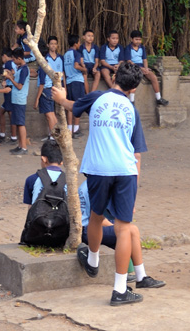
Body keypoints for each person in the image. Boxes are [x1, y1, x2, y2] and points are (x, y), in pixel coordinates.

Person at [52, 61, 159, 307]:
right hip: (125, 170)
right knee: (124, 228)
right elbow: (137, 154)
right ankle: (120, 289)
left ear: (114, 77)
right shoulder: (132, 111)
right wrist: (135, 190)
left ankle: (92, 260)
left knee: (97, 217)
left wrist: (60, 98)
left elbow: (72, 106)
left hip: (98, 169)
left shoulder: (98, 97)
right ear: (134, 89)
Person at [78, 177, 163, 289]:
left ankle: (138, 276)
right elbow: (98, 220)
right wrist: (119, 229)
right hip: (86, 230)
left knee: (129, 229)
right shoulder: (95, 187)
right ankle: (140, 277)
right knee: (130, 230)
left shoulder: (89, 184)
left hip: (91, 226)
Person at [123, 30, 169, 106]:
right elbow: (129, 61)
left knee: (153, 77)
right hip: (132, 67)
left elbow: (144, 59)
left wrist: (146, 68)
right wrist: (141, 69)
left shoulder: (142, 48)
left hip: (142, 67)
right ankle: (132, 101)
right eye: (136, 39)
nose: (138, 41)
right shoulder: (128, 48)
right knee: (134, 79)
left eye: (139, 39)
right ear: (131, 39)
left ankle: (158, 98)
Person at [34, 35, 63, 134]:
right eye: (51, 43)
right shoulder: (46, 59)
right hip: (51, 89)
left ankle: (54, 136)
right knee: (51, 114)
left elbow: (42, 82)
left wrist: (37, 98)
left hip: (46, 90)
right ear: (47, 45)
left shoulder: (44, 63)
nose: (53, 46)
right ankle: (54, 134)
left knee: (50, 115)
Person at [6, 47, 29, 154]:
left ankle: (23, 147)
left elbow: (19, 86)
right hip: (16, 99)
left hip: (20, 99)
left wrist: (10, 79)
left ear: (19, 58)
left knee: (20, 123)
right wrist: (11, 76)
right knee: (17, 122)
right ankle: (20, 145)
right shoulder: (20, 68)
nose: (13, 62)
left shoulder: (24, 69)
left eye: (14, 59)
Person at [63, 33, 86, 136]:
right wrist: (84, 69)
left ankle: (69, 129)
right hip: (77, 81)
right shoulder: (77, 53)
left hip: (69, 82)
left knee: (70, 107)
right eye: (79, 42)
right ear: (76, 43)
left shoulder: (65, 55)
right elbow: (76, 66)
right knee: (78, 105)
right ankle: (76, 130)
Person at [0, 48, 16, 143]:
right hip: (10, 89)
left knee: (10, 113)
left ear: (4, 56)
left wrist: (5, 80)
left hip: (9, 89)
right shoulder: (14, 63)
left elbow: (10, 73)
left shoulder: (8, 63)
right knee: (1, 112)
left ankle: (13, 137)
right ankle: (2, 134)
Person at [80, 28, 100, 92]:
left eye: (92, 36)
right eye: (88, 36)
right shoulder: (81, 47)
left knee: (98, 74)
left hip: (93, 65)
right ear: (84, 37)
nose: (91, 38)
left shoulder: (95, 47)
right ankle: (87, 93)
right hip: (85, 64)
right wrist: (83, 67)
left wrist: (95, 68)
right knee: (84, 75)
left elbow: (97, 61)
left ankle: (92, 92)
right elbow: (81, 60)